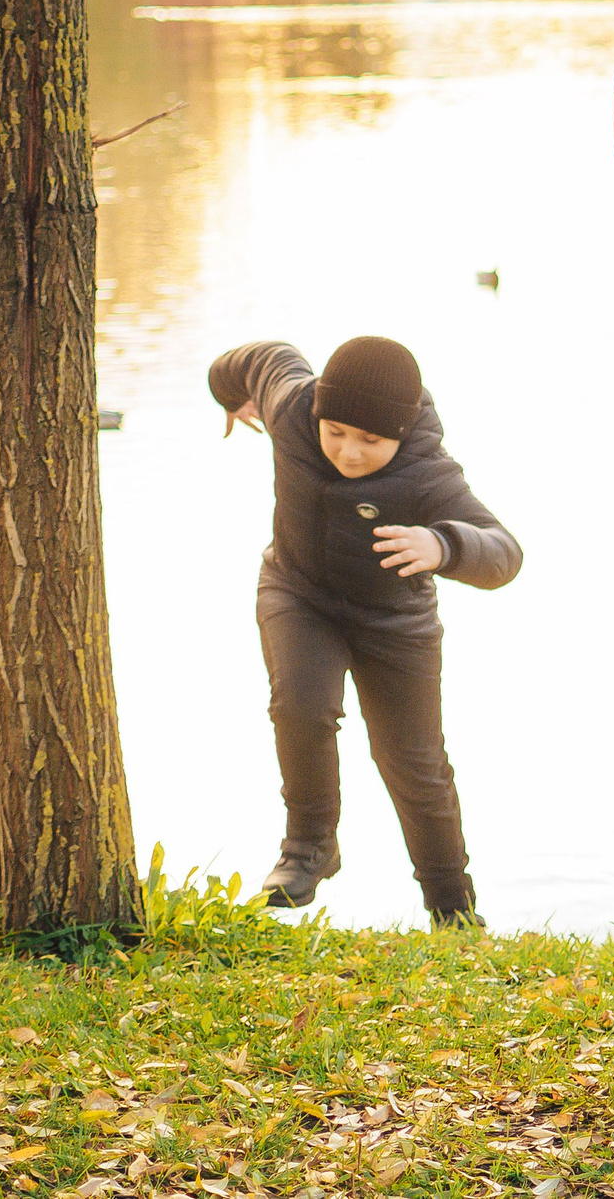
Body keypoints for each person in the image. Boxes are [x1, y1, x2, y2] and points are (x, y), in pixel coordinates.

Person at [209, 335, 522, 926]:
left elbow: (505, 554)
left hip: (395, 624)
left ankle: (452, 907)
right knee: (300, 706)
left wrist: (443, 543)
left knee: (413, 764)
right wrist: (227, 394)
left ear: (400, 436)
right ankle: (308, 849)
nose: (349, 452)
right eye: (336, 433)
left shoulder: (429, 473)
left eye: (370, 441)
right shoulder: (291, 403)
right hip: (297, 593)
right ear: (318, 413)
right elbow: (251, 360)